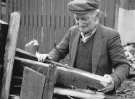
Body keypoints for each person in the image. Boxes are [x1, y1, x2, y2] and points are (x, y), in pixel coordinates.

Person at [36, 0, 130, 95]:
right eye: (77, 19)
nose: (80, 23)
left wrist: (113, 80)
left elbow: (123, 65)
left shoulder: (111, 36)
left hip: (99, 94)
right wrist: (49, 57)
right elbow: (59, 51)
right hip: (73, 92)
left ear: (96, 17)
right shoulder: (72, 32)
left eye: (84, 19)